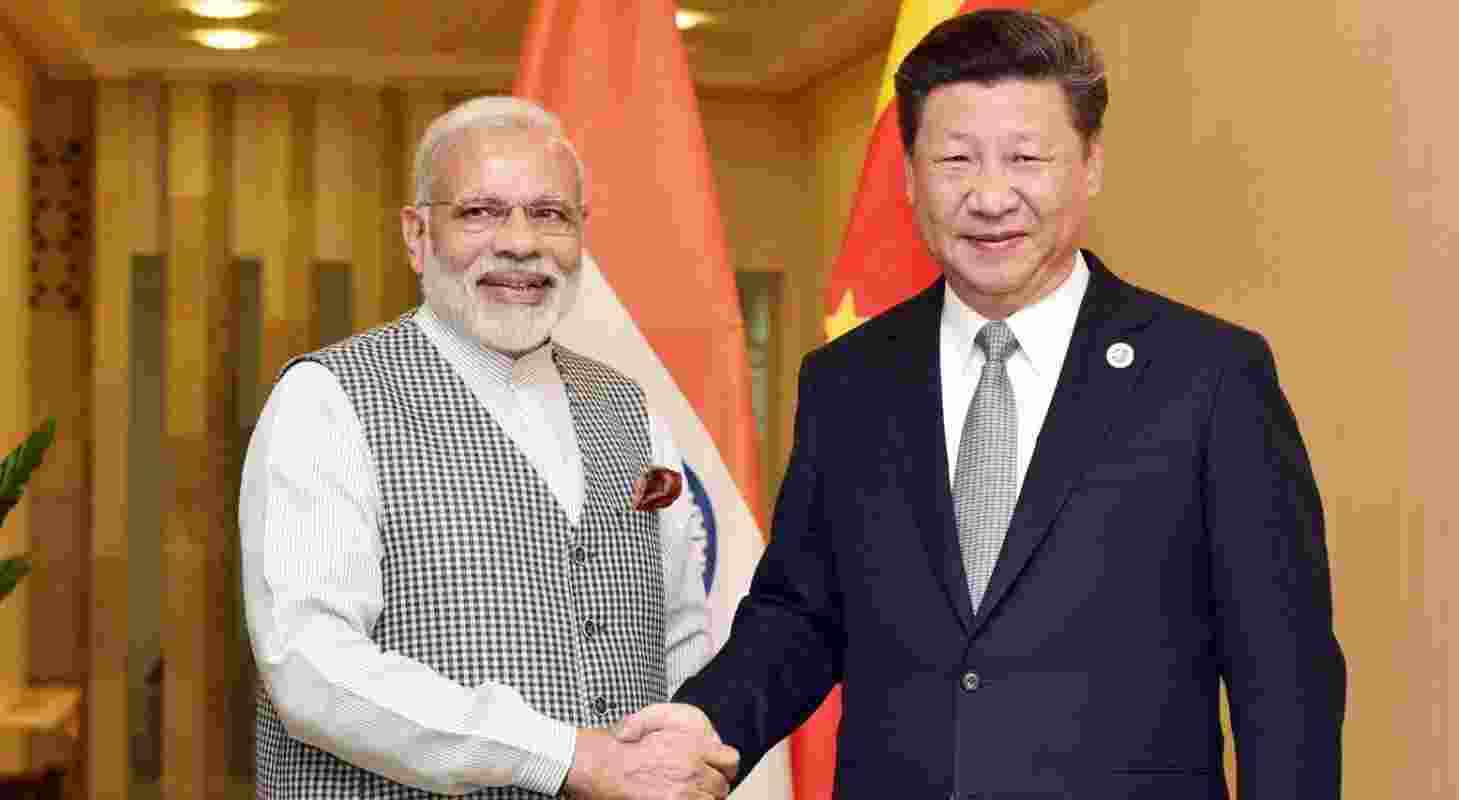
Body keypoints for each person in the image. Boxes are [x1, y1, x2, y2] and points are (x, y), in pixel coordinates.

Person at [621, 9, 1346, 799]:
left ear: (1091, 165)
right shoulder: (849, 380)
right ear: (909, 176)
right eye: (956, 160)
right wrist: (708, 723)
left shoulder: (1208, 376)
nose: (991, 196)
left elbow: (1285, 673)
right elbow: (800, 614)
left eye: (1027, 158)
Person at [240, 96, 737, 799]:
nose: (520, 243)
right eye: (480, 212)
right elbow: (311, 668)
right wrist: (567, 757)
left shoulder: (632, 410)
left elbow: (681, 640)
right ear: (417, 235)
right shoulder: (325, 401)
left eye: (550, 214)